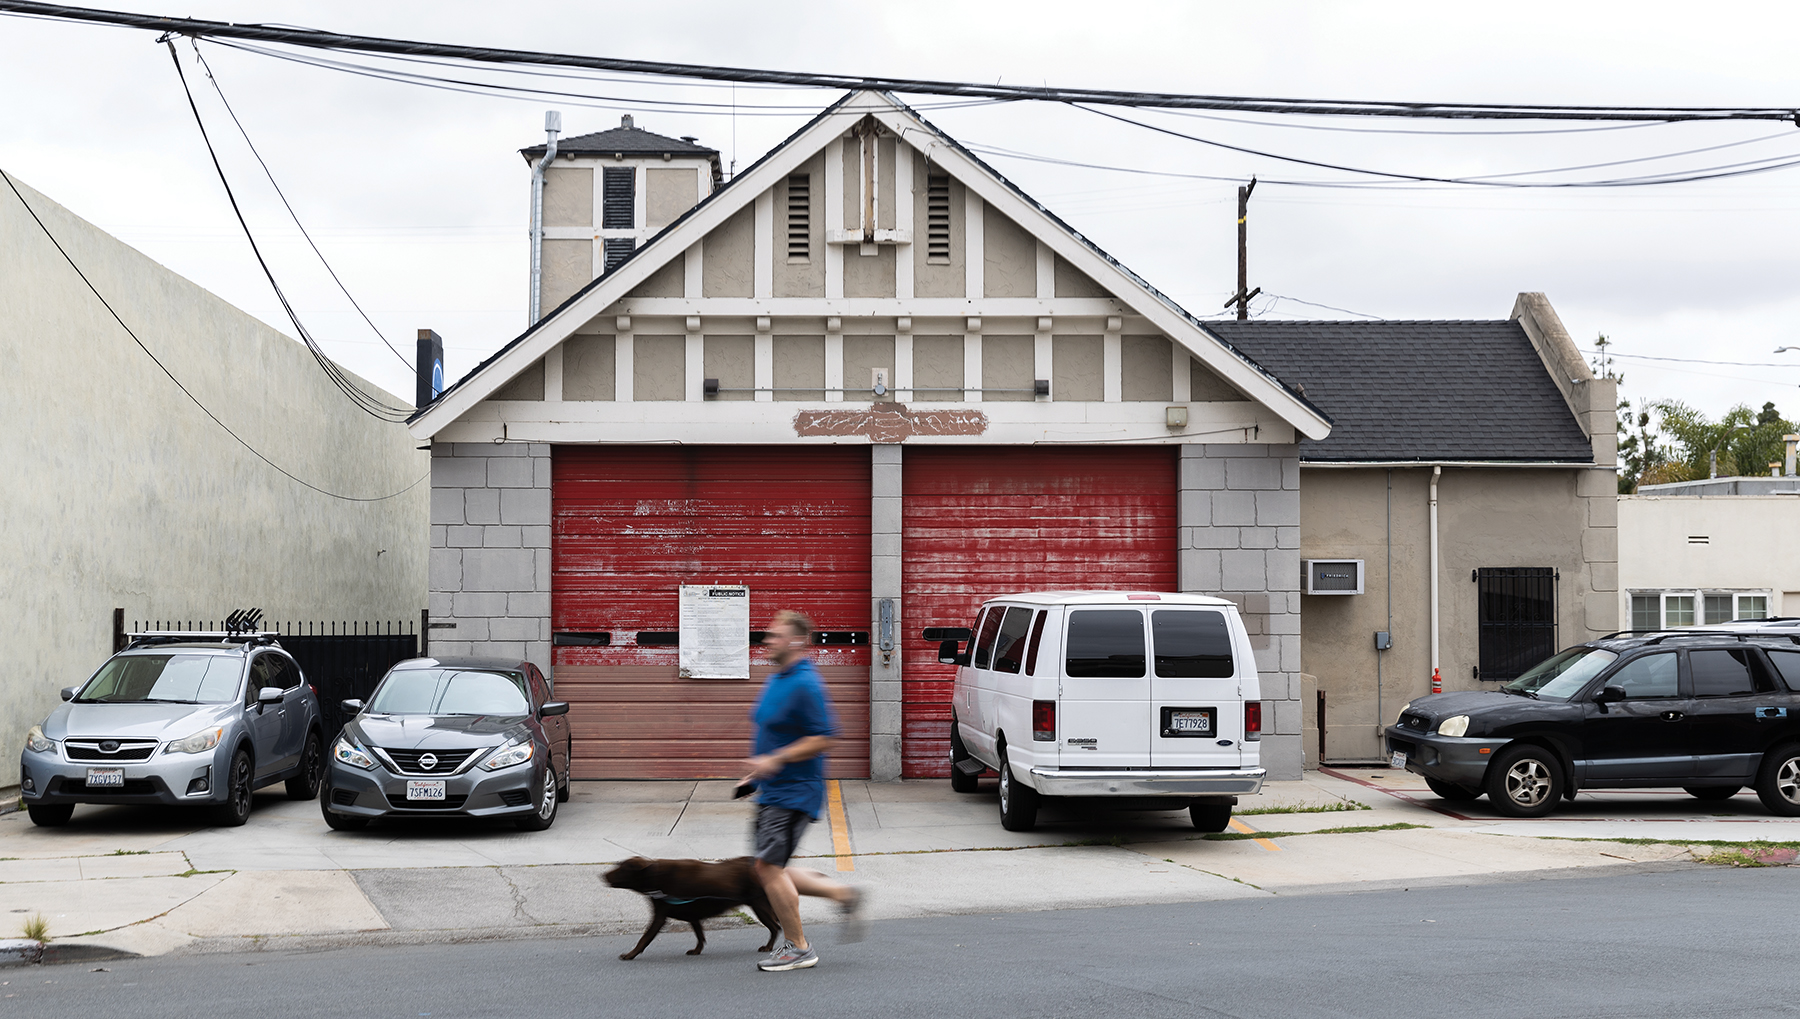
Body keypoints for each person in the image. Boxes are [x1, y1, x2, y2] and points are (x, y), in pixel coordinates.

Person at [740, 609, 864, 972]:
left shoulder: (807, 683)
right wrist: (756, 775)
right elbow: (774, 731)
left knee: (767, 868)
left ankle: (799, 947)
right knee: (765, 869)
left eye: (774, 635)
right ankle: (842, 894)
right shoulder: (778, 678)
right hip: (772, 788)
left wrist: (775, 760)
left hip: (794, 791)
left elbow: (824, 736)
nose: (766, 640)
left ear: (795, 641)